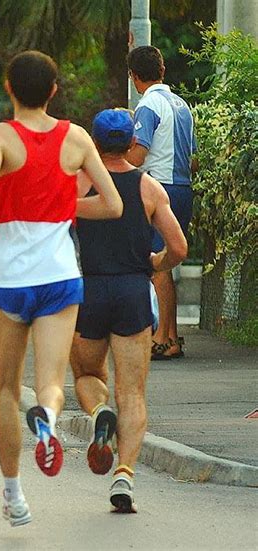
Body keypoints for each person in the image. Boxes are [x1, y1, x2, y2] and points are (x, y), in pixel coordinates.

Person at [0, 50, 123, 527]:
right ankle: (49, 422)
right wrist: (65, 209)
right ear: (54, 90)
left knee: (5, 389)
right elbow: (112, 203)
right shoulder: (76, 137)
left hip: (10, 278)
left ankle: (14, 496)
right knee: (50, 383)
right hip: (59, 274)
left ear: (9, 87)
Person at [71, 108, 187, 513]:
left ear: (95, 142)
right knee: (133, 392)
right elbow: (178, 248)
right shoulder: (150, 188)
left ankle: (100, 413)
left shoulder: (80, 184)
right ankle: (124, 475)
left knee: (87, 374)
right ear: (131, 142)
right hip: (134, 291)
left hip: (90, 289)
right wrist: (155, 264)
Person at [126, 46, 197, 360]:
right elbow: (194, 160)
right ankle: (170, 336)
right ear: (163, 71)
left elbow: (139, 155)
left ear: (134, 77)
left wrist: (110, 163)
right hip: (183, 185)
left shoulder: (149, 104)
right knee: (169, 262)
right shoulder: (182, 105)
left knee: (157, 264)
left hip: (159, 187)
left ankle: (161, 338)